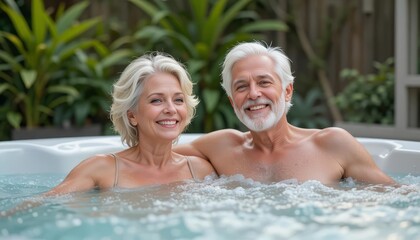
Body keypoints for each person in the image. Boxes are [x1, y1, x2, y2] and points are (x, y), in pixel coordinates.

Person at [175, 41, 395, 185]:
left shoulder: (332, 144)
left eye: (264, 82)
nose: (253, 93)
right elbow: (153, 155)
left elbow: (396, 198)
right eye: (241, 87)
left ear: (287, 91)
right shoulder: (221, 146)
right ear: (233, 101)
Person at [45, 52, 216, 195]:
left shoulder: (200, 171)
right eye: (157, 100)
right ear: (132, 115)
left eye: (178, 100)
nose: (171, 109)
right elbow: (43, 206)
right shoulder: (101, 169)